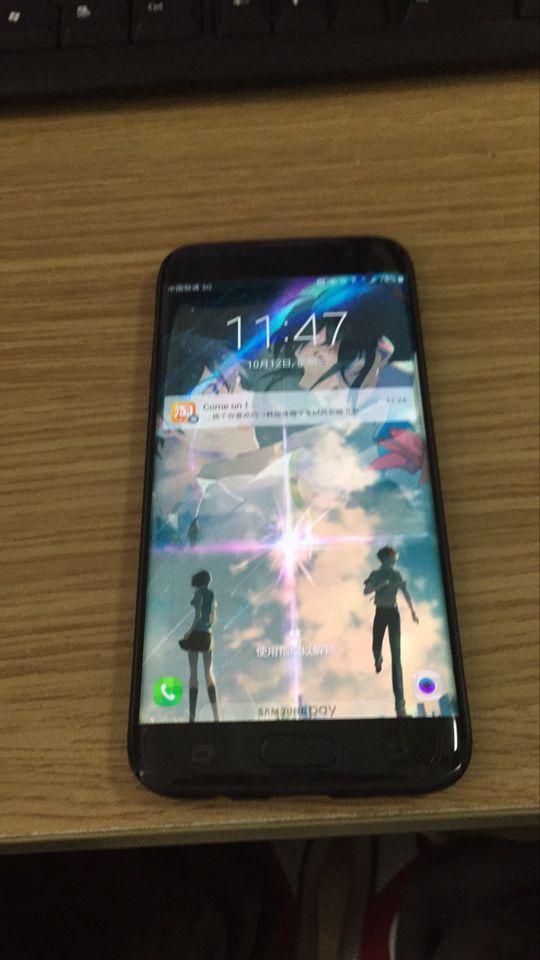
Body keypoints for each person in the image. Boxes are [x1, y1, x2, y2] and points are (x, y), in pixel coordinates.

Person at [364, 546, 419, 717]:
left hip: (393, 614)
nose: (396, 558)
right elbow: (366, 591)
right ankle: (378, 659)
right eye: (393, 556)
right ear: (386, 557)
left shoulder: (396, 575)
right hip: (380, 613)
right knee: (376, 645)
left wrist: (412, 612)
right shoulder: (375, 574)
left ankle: (400, 706)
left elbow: (406, 593)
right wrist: (381, 584)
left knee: (396, 657)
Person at [180, 570, 220, 722]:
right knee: (208, 674)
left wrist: (188, 633)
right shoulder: (212, 594)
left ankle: (192, 717)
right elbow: (213, 618)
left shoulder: (198, 594)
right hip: (208, 636)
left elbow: (197, 616)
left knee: (193, 674)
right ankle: (216, 716)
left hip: (196, 634)